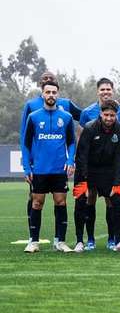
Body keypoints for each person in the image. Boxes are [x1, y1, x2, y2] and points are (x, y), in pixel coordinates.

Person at [20, 71, 82, 239]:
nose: (51, 94)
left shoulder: (66, 112)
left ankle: (59, 241)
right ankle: (33, 240)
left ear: (58, 91)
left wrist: (70, 160)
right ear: (42, 91)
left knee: (61, 202)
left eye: (54, 91)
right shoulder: (32, 111)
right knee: (36, 201)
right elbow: (24, 140)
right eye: (47, 91)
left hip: (59, 167)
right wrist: (26, 165)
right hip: (38, 165)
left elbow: (74, 135)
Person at [74, 100, 120, 251]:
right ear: (100, 114)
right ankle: (83, 240)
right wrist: (83, 181)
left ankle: (116, 240)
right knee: (82, 200)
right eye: (106, 115)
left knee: (117, 199)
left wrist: (117, 183)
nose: (109, 118)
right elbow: (82, 155)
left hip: (109, 172)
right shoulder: (90, 127)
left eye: (112, 115)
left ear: (116, 115)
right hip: (88, 170)